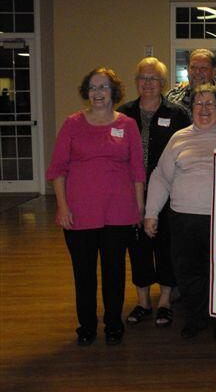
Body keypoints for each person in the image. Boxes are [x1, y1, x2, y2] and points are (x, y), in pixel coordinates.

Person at [46, 67, 145, 346]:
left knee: (114, 272)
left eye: (103, 87)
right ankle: (87, 326)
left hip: (119, 212)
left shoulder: (127, 125)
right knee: (84, 273)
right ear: (86, 92)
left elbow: (137, 170)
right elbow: (57, 170)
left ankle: (113, 324)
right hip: (79, 212)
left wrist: (139, 207)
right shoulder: (72, 124)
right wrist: (62, 207)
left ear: (113, 92)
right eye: (92, 87)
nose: (97, 92)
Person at [144, 84, 216, 340]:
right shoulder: (179, 138)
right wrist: (151, 213)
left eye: (210, 103)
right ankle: (195, 318)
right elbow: (161, 176)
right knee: (188, 272)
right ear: (191, 109)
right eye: (199, 103)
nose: (204, 108)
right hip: (183, 217)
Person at [118, 57, 191, 328]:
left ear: (163, 83)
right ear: (136, 82)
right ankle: (143, 301)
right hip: (130, 192)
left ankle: (165, 302)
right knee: (137, 246)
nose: (148, 83)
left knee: (165, 245)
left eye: (153, 78)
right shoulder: (123, 113)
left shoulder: (177, 114)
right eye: (143, 77)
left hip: (169, 191)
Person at [167, 49, 216, 128]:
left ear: (214, 71)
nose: (197, 72)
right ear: (187, 69)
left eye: (203, 68)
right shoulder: (172, 96)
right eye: (193, 67)